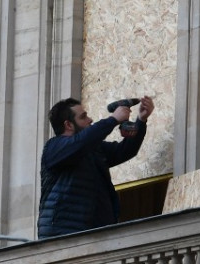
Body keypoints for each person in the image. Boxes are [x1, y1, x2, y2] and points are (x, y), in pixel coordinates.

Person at [38, 96, 155, 238]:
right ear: (68, 125)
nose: (90, 120)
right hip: (63, 237)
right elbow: (83, 141)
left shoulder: (93, 150)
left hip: (93, 234)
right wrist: (113, 120)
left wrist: (141, 121)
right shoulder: (54, 148)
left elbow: (125, 151)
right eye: (83, 117)